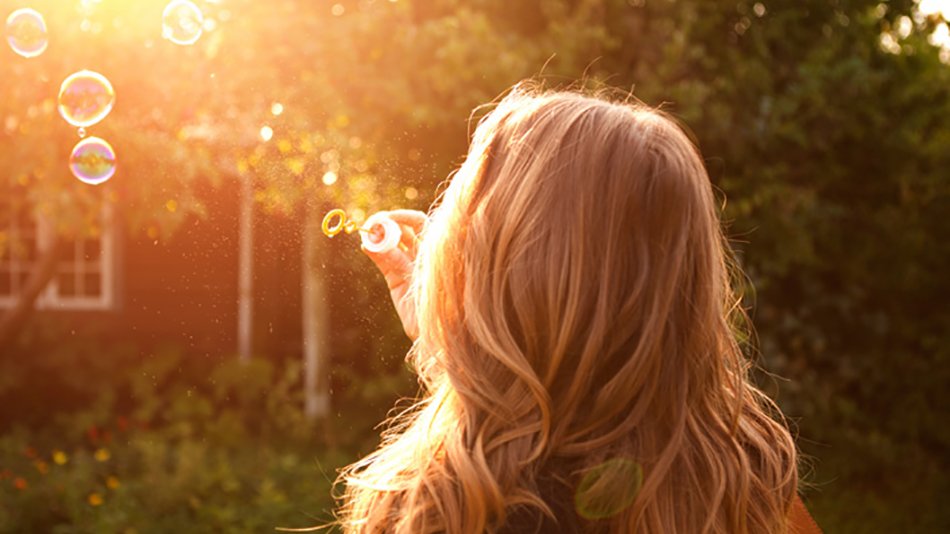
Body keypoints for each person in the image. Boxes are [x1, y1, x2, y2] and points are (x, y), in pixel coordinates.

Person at [337, 83, 821, 533]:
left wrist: (461, 345)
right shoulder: (747, 480)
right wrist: (447, 341)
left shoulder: (437, 506)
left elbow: (529, 418)